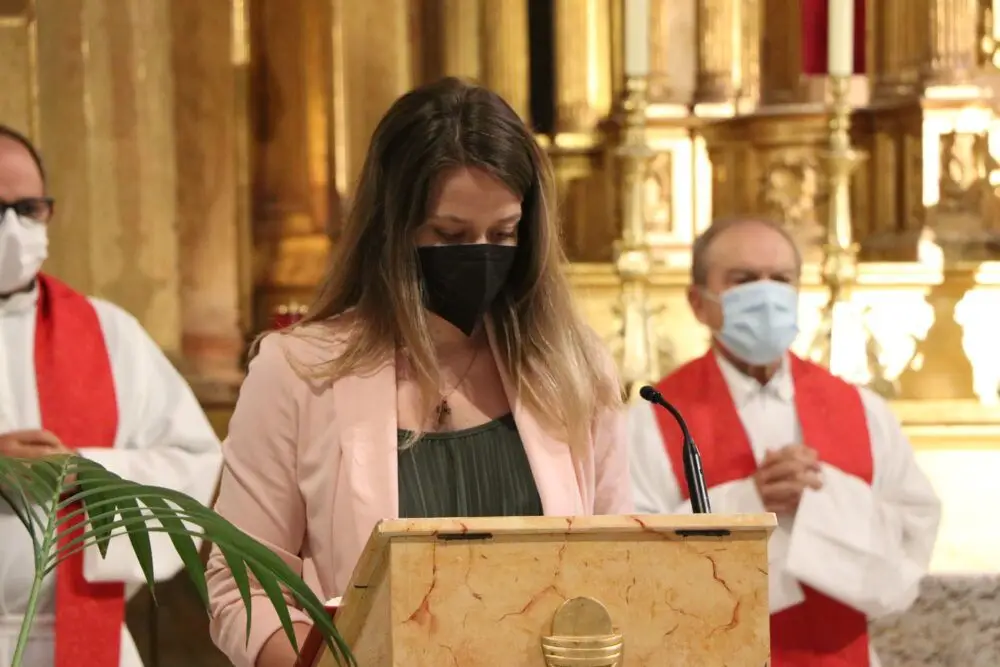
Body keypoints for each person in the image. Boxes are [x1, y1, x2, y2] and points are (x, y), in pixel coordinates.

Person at [206, 77, 633, 667]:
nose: (480, 253)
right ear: (392, 229)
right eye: (451, 235)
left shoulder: (574, 368)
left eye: (503, 234)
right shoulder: (300, 372)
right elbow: (245, 591)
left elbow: (622, 570)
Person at [628, 216, 941, 666]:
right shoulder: (655, 418)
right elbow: (630, 558)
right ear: (698, 303)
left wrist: (820, 493)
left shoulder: (863, 409)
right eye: (743, 279)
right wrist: (749, 500)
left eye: (780, 279)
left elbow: (910, 544)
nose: (766, 294)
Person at [0, 125, 223, 667]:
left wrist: (83, 473)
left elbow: (193, 460)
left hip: (79, 638)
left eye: (28, 209)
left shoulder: (107, 332)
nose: (11, 228)